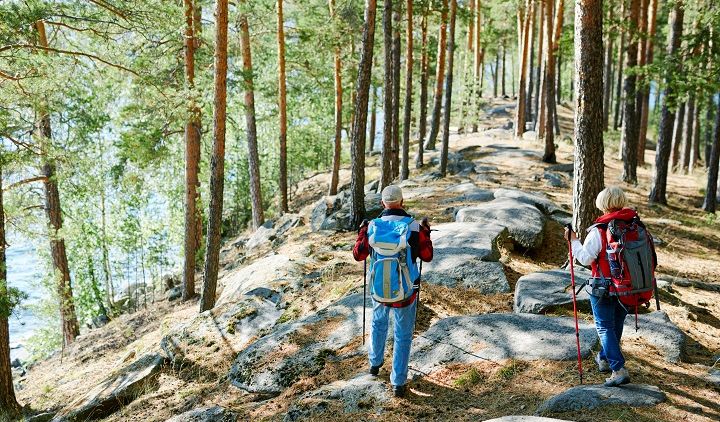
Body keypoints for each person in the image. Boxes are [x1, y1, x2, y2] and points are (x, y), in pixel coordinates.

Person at [352, 185, 433, 397]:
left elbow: (359, 255)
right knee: (403, 334)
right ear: (402, 202)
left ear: (382, 204)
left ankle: (374, 364)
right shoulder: (413, 226)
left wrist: (362, 231)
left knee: (378, 323)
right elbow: (427, 255)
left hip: (379, 288)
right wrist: (426, 231)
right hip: (405, 290)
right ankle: (398, 382)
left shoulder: (373, 226)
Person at [564, 186, 638, 387]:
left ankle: (618, 368)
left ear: (602, 204)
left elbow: (586, 258)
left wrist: (574, 241)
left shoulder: (600, 229)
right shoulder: (633, 226)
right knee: (616, 324)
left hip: (603, 286)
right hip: (628, 287)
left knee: (605, 327)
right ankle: (604, 359)